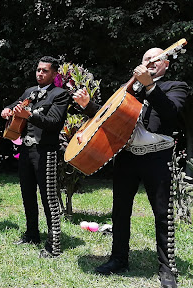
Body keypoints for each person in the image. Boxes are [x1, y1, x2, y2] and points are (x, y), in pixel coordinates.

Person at [73, 48, 189, 288]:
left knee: (162, 214)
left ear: (166, 65)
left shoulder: (176, 86)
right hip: (127, 156)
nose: (151, 62)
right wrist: (88, 106)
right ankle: (118, 259)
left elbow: (172, 114)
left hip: (158, 156)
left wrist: (150, 87)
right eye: (147, 59)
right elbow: (110, 119)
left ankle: (167, 269)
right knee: (120, 211)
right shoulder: (128, 89)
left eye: (157, 59)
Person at [1, 56, 69, 257]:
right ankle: (32, 234)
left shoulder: (60, 94)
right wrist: (7, 110)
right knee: (27, 194)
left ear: (54, 73)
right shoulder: (29, 91)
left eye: (45, 70)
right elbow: (15, 104)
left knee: (49, 198)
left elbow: (54, 122)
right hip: (26, 150)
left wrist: (29, 115)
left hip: (45, 151)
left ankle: (54, 244)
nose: (40, 73)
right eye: (38, 70)